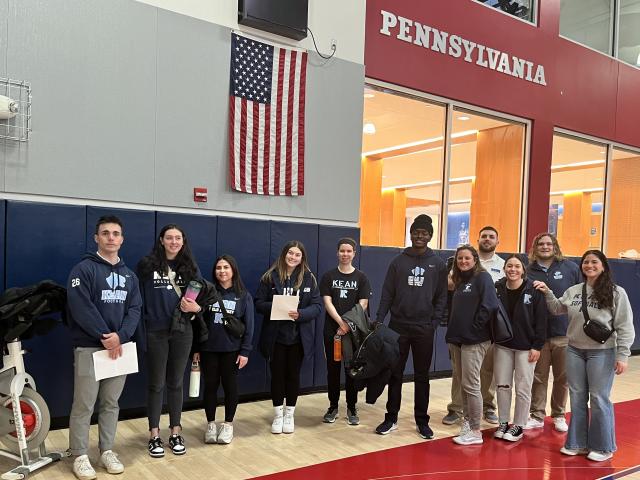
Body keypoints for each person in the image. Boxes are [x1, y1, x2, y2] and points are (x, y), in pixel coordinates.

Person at [533, 250, 635, 462]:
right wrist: (547, 292)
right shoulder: (574, 290)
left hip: (603, 352)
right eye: (586, 262)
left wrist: (623, 355)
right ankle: (577, 443)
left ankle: (603, 446)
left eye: (594, 262)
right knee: (577, 397)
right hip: (574, 350)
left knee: (599, 398)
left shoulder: (616, 292)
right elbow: (556, 308)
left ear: (604, 266)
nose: (589, 265)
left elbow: (625, 326)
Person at [66, 215, 142, 480]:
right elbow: (80, 307)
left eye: (116, 233)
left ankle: (107, 450)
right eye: (106, 233)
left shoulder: (130, 276)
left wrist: (120, 336)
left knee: (111, 403)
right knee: (84, 404)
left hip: (119, 349)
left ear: (122, 239)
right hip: (90, 347)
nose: (111, 238)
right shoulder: (83, 270)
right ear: (96, 238)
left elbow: (135, 309)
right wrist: (104, 335)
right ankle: (79, 454)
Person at [374, 214, 447, 440]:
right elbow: (387, 293)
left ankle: (422, 421)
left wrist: (434, 323)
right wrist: (379, 318)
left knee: (422, 376)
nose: (420, 236)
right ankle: (391, 418)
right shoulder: (398, 261)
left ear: (430, 236)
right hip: (398, 327)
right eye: (416, 232)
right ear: (411, 233)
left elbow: (442, 296)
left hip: (424, 328)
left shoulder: (438, 264)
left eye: (424, 233)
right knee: (395, 373)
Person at [137, 224, 202, 457]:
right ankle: (154, 435)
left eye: (178, 238)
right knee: (156, 384)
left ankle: (175, 431)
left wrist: (196, 307)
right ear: (161, 240)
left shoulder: (190, 268)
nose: (174, 242)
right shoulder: (147, 266)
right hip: (155, 331)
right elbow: (138, 301)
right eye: (169, 238)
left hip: (183, 331)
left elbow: (201, 297)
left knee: (175, 382)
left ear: (183, 242)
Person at [256, 240, 322, 434]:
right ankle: (277, 415)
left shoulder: (309, 278)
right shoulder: (270, 277)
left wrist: (300, 314)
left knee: (293, 376)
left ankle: (289, 414)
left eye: (297, 255)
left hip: (298, 338)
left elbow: (317, 307)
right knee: (277, 376)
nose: (293, 257)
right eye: (290, 253)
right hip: (276, 337)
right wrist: (276, 307)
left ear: (302, 258)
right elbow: (258, 303)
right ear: (284, 254)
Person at [444, 226, 504, 425]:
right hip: (458, 339)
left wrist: (474, 330)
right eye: (460, 258)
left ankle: (474, 427)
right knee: (463, 383)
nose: (463, 261)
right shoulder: (460, 279)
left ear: (474, 260)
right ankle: (465, 420)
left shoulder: (483, 277)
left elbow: (490, 305)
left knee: (472, 384)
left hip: (475, 339)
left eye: (467, 258)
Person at [192, 255, 254, 444]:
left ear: (233, 270)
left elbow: (249, 326)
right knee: (210, 387)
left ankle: (227, 425)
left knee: (230, 387)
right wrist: (196, 348)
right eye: (218, 267)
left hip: (232, 350)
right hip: (209, 349)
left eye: (226, 267)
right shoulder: (207, 292)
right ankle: (210, 424)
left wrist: (245, 351)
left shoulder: (243, 295)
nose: (222, 271)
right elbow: (199, 323)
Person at [525, 233, 580, 432]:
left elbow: (579, 298)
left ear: (555, 246)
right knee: (538, 377)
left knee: (562, 378)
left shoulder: (571, 268)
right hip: (538, 335)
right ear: (535, 247)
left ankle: (558, 415)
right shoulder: (528, 270)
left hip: (564, 333)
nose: (545, 247)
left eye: (549, 244)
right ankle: (537, 415)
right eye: (541, 244)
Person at [493, 254, 546, 443]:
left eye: (516, 266)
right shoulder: (497, 288)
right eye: (509, 266)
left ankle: (519, 424)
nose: (512, 269)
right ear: (504, 268)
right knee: (502, 385)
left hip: (526, 347)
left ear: (523, 270)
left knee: (523, 387)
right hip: (503, 345)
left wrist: (537, 346)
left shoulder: (534, 289)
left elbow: (541, 320)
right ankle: (503, 422)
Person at [319, 237, 371, 425]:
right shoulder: (328, 277)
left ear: (354, 254)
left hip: (353, 332)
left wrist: (348, 324)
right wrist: (340, 322)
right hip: (333, 331)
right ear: (337, 252)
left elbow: (363, 304)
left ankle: (351, 406)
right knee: (332, 370)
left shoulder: (361, 277)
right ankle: (333, 406)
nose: (345, 254)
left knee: (351, 370)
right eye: (342, 251)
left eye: (349, 251)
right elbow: (327, 302)